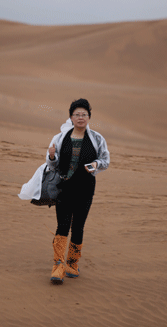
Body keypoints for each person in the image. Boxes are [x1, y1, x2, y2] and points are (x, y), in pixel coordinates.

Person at [46, 98, 110, 284]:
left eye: (84, 114)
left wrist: (96, 164)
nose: (81, 117)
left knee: (78, 225)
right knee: (63, 225)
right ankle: (58, 266)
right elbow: (53, 164)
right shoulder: (60, 138)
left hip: (85, 189)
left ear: (89, 117)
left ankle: (72, 264)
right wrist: (52, 157)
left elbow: (105, 160)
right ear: (71, 117)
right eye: (77, 114)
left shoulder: (97, 138)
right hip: (64, 188)